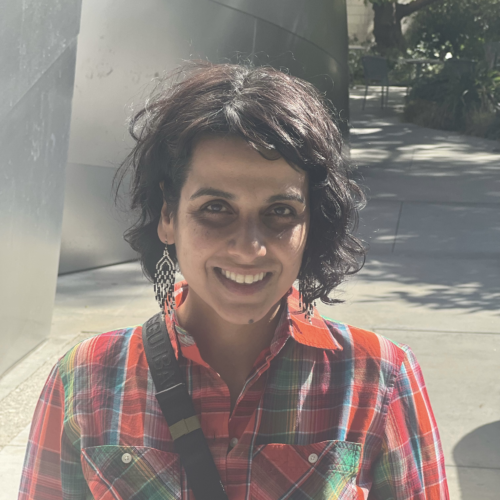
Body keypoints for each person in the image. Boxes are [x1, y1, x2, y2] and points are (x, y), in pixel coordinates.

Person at [19, 62, 449, 499]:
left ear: (311, 225)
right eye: (215, 208)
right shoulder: (85, 380)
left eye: (280, 211)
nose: (249, 248)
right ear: (168, 216)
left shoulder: (381, 379)